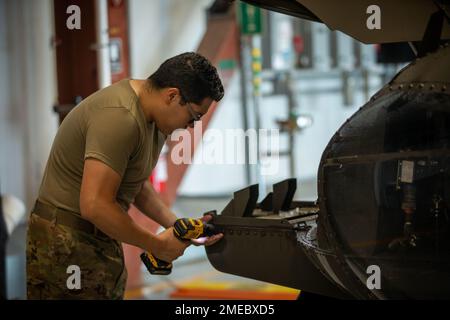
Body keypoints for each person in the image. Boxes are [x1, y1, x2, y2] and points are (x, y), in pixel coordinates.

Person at [26, 52, 225, 299]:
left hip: (96, 237)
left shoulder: (156, 119)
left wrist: (177, 226)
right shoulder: (121, 117)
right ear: (172, 96)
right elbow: (95, 205)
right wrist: (157, 245)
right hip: (65, 243)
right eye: (193, 116)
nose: (191, 126)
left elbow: (137, 184)